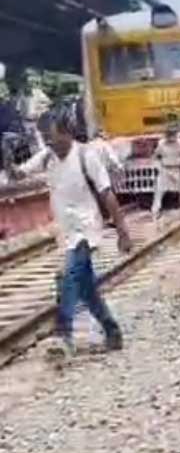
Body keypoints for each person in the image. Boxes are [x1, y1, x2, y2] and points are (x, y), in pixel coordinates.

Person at [7, 107, 132, 358]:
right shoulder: (47, 158)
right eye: (44, 137)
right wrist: (7, 160)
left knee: (68, 277)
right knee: (86, 289)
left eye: (51, 136)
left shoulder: (87, 156)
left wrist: (123, 232)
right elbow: (18, 174)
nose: (48, 142)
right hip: (66, 232)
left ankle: (63, 335)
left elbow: (107, 194)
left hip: (87, 230)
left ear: (67, 132)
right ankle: (112, 332)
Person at [151, 125, 180, 220]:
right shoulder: (161, 143)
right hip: (165, 169)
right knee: (159, 192)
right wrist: (158, 166)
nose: (171, 136)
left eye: (173, 133)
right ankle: (155, 212)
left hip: (176, 169)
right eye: (169, 133)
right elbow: (155, 156)